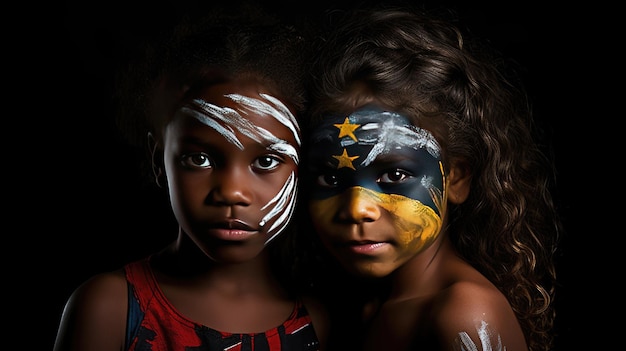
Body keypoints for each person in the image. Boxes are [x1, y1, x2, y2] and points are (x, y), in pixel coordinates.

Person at [53, 3, 328, 351]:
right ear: (159, 160)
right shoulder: (110, 309)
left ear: (302, 167)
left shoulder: (319, 324)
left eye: (267, 161)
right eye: (199, 159)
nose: (231, 191)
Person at [299, 4, 561, 351]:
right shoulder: (357, 307)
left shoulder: (465, 314)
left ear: (456, 178)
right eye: (330, 180)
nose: (357, 208)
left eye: (394, 174)